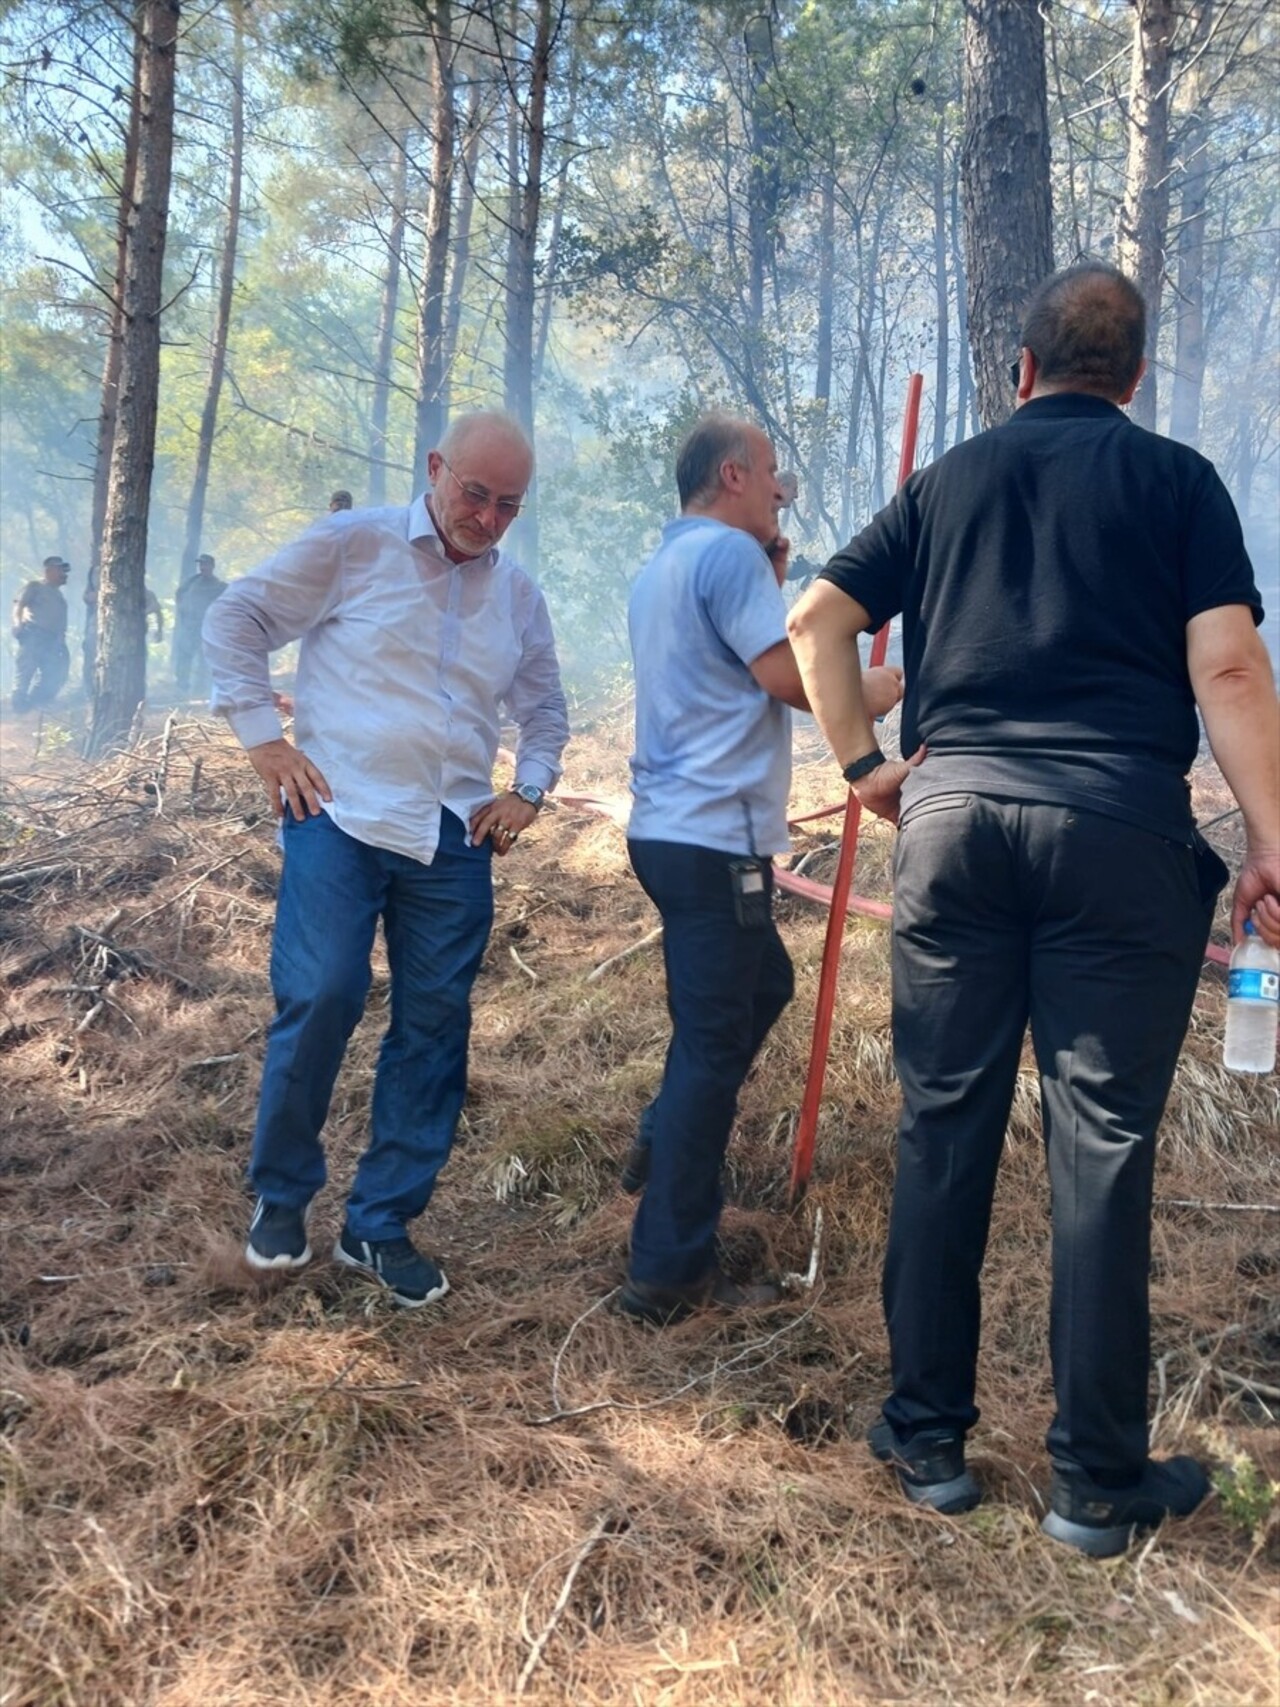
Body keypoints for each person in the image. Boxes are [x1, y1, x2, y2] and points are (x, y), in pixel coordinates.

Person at [787, 262, 1278, 1556]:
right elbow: (1226, 662)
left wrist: (862, 771)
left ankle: (927, 1435)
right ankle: (1093, 1482)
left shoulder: (947, 479)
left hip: (952, 823)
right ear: (1134, 378)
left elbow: (817, 619)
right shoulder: (1177, 481)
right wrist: (1275, 839)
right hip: (1116, 829)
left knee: (942, 1118)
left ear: (1021, 368)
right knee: (1102, 1142)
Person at [204, 411, 569, 1307]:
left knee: (436, 1026)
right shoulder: (353, 543)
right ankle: (281, 1199)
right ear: (436, 468)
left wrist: (530, 787)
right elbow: (236, 616)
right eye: (473, 493)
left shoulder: (518, 596)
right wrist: (265, 742)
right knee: (323, 992)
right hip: (339, 811)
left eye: (507, 505)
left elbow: (546, 706)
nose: (485, 517)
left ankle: (380, 1224)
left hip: (453, 836)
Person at [619, 413, 902, 1325]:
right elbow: (787, 678)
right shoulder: (728, 557)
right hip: (713, 836)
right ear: (734, 476)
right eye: (774, 473)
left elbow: (730, 669)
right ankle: (668, 1269)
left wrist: (778, 583)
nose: (784, 491)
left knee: (763, 984)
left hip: (667, 832)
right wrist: (878, 690)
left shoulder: (663, 565)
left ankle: (662, 1135)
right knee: (711, 1047)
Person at [83, 566, 164, 695]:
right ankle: (92, 692)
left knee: (130, 665)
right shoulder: (103, 583)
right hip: (100, 632)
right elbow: (88, 597)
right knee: (95, 662)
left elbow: (154, 608)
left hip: (130, 636)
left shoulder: (140, 591)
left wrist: (156, 629)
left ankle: (131, 693)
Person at [11, 556, 71, 712]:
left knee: (56, 674)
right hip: (34, 635)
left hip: (53, 641)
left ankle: (34, 704)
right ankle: (19, 709)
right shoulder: (35, 587)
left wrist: (60, 639)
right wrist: (18, 624)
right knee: (25, 672)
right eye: (60, 570)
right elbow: (19, 606)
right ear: (49, 570)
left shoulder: (59, 596)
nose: (64, 574)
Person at [172, 554, 226, 695]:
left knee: (207, 658)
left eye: (206, 564)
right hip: (190, 626)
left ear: (212, 566)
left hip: (209, 628)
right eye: (201, 564)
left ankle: (204, 687)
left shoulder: (219, 586)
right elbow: (179, 595)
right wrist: (183, 613)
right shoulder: (191, 583)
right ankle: (182, 687)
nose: (203, 567)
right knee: (184, 656)